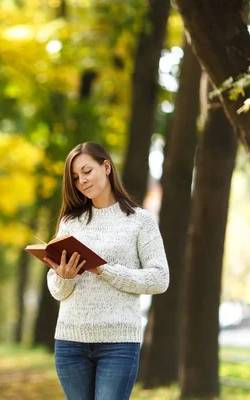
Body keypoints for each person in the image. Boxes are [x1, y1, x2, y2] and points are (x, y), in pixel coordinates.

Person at [43, 141, 169, 400]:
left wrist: (105, 270)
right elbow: (57, 290)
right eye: (76, 178)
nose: (82, 181)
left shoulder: (140, 220)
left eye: (87, 171)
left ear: (107, 167)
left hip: (119, 342)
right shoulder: (71, 222)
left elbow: (160, 278)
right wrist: (63, 277)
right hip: (70, 341)